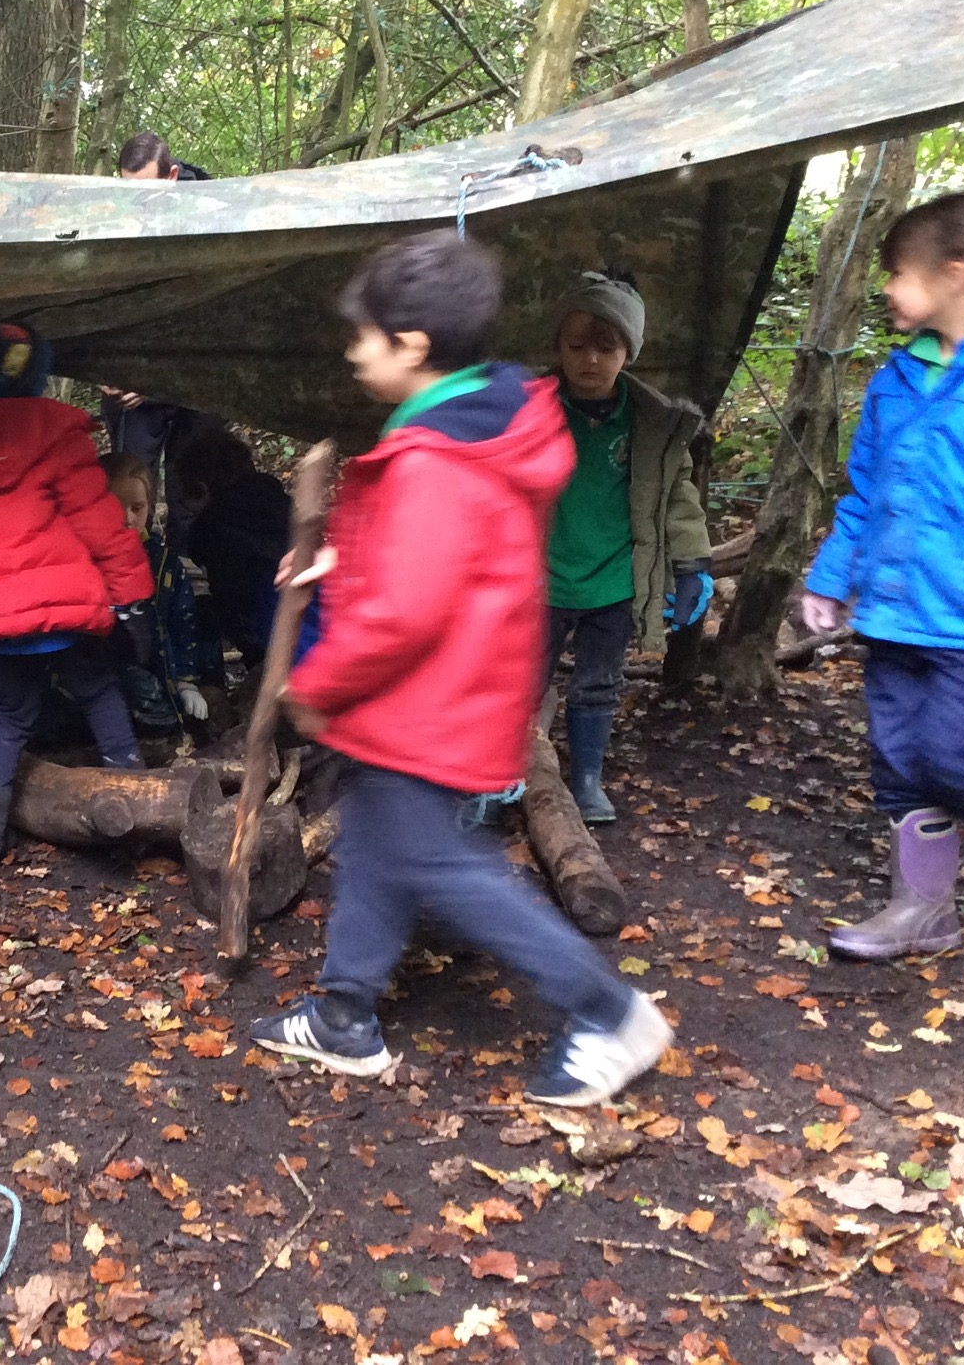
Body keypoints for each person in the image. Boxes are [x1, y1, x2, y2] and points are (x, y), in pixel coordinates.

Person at [249, 231, 672, 1108]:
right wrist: (339, 560)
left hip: (429, 702)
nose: (353, 352)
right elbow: (435, 559)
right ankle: (345, 1013)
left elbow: (407, 611)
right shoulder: (468, 426)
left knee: (443, 866)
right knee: (377, 844)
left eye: (363, 336)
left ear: (410, 346)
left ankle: (611, 1012)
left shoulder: (436, 457)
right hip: (447, 695)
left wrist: (316, 685)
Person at [803, 191, 964, 961]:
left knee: (956, 758)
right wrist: (830, 578)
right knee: (902, 767)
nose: (886, 288)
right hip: (892, 614)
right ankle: (924, 913)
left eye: (899, 273)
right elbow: (865, 492)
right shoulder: (897, 376)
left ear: (953, 274)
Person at [0, 324, 153, 874]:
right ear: (38, 375)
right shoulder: (56, 435)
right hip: (65, 609)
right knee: (99, 691)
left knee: (9, 715)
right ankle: (139, 809)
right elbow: (102, 528)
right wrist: (133, 600)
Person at [543, 270, 713, 822]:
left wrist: (692, 565)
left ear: (629, 353)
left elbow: (677, 497)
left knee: (598, 684)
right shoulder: (529, 410)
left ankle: (587, 779)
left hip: (616, 578)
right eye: (577, 347)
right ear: (559, 348)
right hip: (540, 579)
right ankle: (504, 777)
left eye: (607, 348)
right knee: (519, 683)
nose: (590, 360)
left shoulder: (653, 423)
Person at [101, 131, 216, 540]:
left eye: (146, 189)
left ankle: (187, 572)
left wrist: (156, 380)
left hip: (196, 376)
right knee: (131, 490)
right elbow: (100, 300)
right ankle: (135, 571)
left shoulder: (216, 216)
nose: (137, 201)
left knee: (194, 495)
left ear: (172, 176)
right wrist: (106, 366)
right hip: (132, 382)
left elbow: (214, 318)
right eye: (127, 189)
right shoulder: (108, 217)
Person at [102, 451, 220, 728]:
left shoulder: (164, 563)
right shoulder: (84, 561)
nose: (127, 518)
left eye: (137, 507)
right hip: (107, 678)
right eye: (113, 507)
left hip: (162, 670)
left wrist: (185, 681)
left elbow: (183, 622)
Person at [173, 426, 292, 667]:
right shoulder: (278, 502)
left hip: (269, 631)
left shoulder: (213, 529)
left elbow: (231, 597)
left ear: (201, 490)